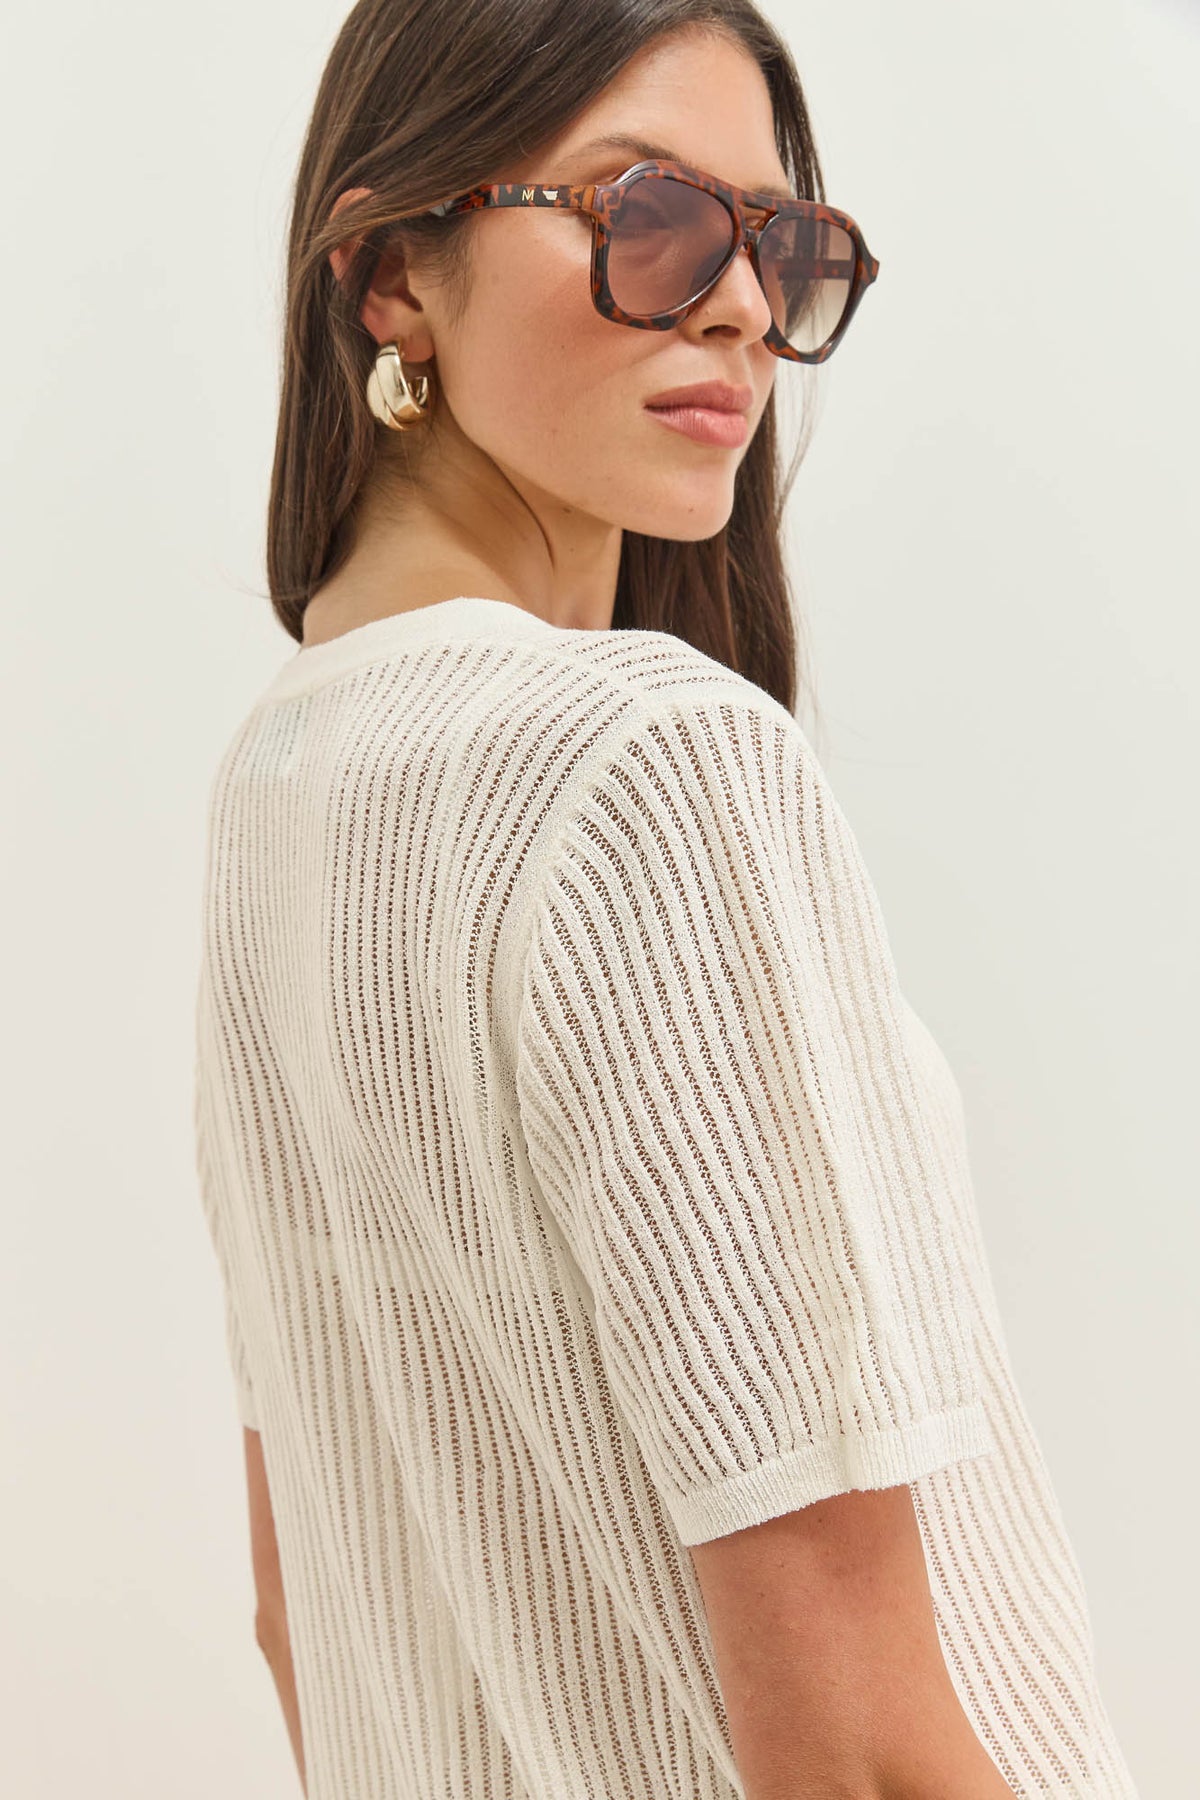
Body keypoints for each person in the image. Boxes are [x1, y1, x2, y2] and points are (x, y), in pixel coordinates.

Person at [192, 2, 1141, 1796]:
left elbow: (298, 1606)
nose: (740, 309)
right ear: (392, 275)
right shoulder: (647, 762)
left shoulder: (282, 782)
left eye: (779, 245)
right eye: (648, 217)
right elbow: (860, 1753)